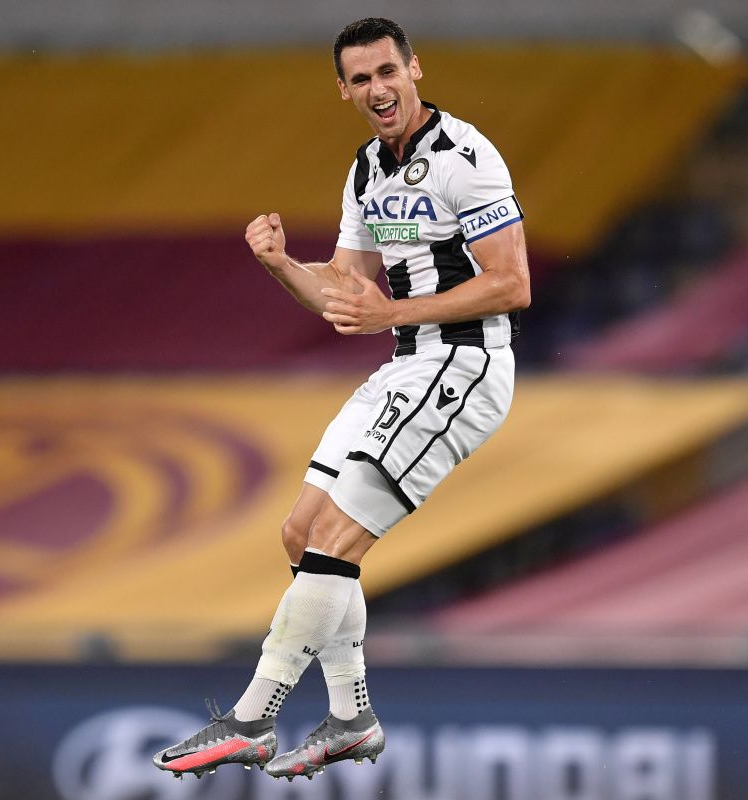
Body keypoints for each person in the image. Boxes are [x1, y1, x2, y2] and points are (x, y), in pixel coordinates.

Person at [154, 17, 530, 781]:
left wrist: (392, 312)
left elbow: (512, 282)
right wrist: (280, 265)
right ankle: (351, 717)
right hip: (407, 363)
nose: (377, 89)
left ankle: (253, 718)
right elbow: (344, 287)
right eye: (361, 79)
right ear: (344, 90)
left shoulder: (465, 157)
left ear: (415, 69)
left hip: (463, 367)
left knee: (334, 539)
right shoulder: (366, 170)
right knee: (300, 535)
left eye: (388, 71)